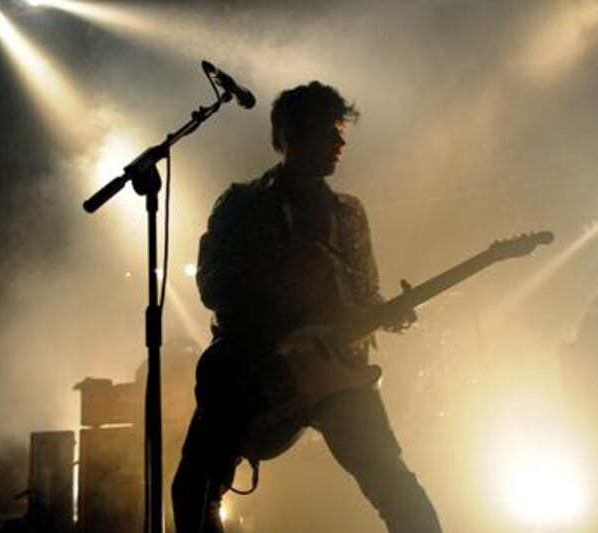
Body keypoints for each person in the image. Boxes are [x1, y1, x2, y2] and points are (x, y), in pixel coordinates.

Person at [172, 81, 443, 532]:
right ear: (293, 133)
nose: (341, 142)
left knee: (396, 489)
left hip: (334, 370)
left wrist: (388, 313)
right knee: (192, 491)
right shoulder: (240, 204)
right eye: (329, 131)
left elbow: (364, 292)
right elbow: (211, 284)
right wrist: (279, 272)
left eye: (341, 132)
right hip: (251, 370)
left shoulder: (348, 212)